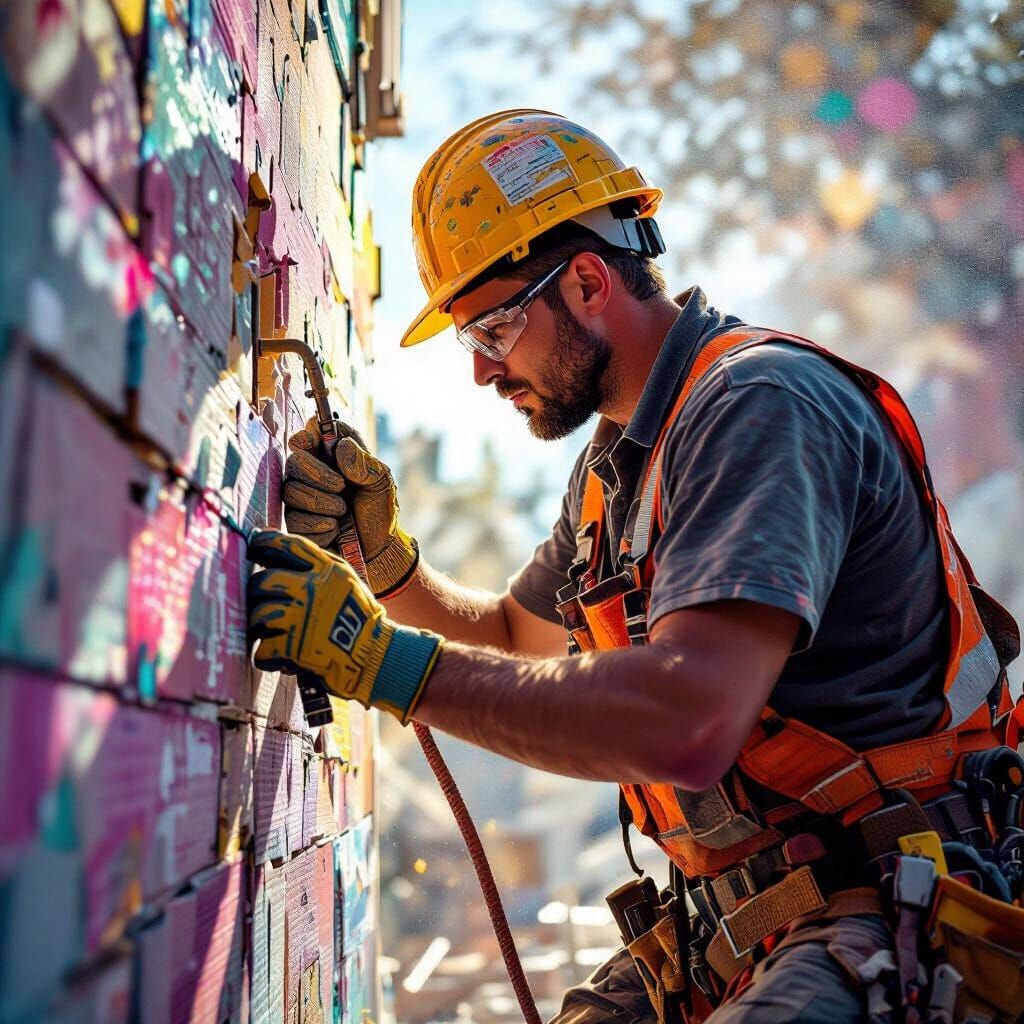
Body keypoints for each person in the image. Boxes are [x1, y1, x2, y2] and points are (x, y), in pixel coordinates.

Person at [247, 110, 1024, 1023]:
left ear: (585, 281)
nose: (482, 375)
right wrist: (388, 571)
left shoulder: (760, 408)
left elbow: (686, 725)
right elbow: (512, 636)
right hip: (743, 927)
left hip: (889, 906)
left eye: (491, 331)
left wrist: (380, 662)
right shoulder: (618, 465)